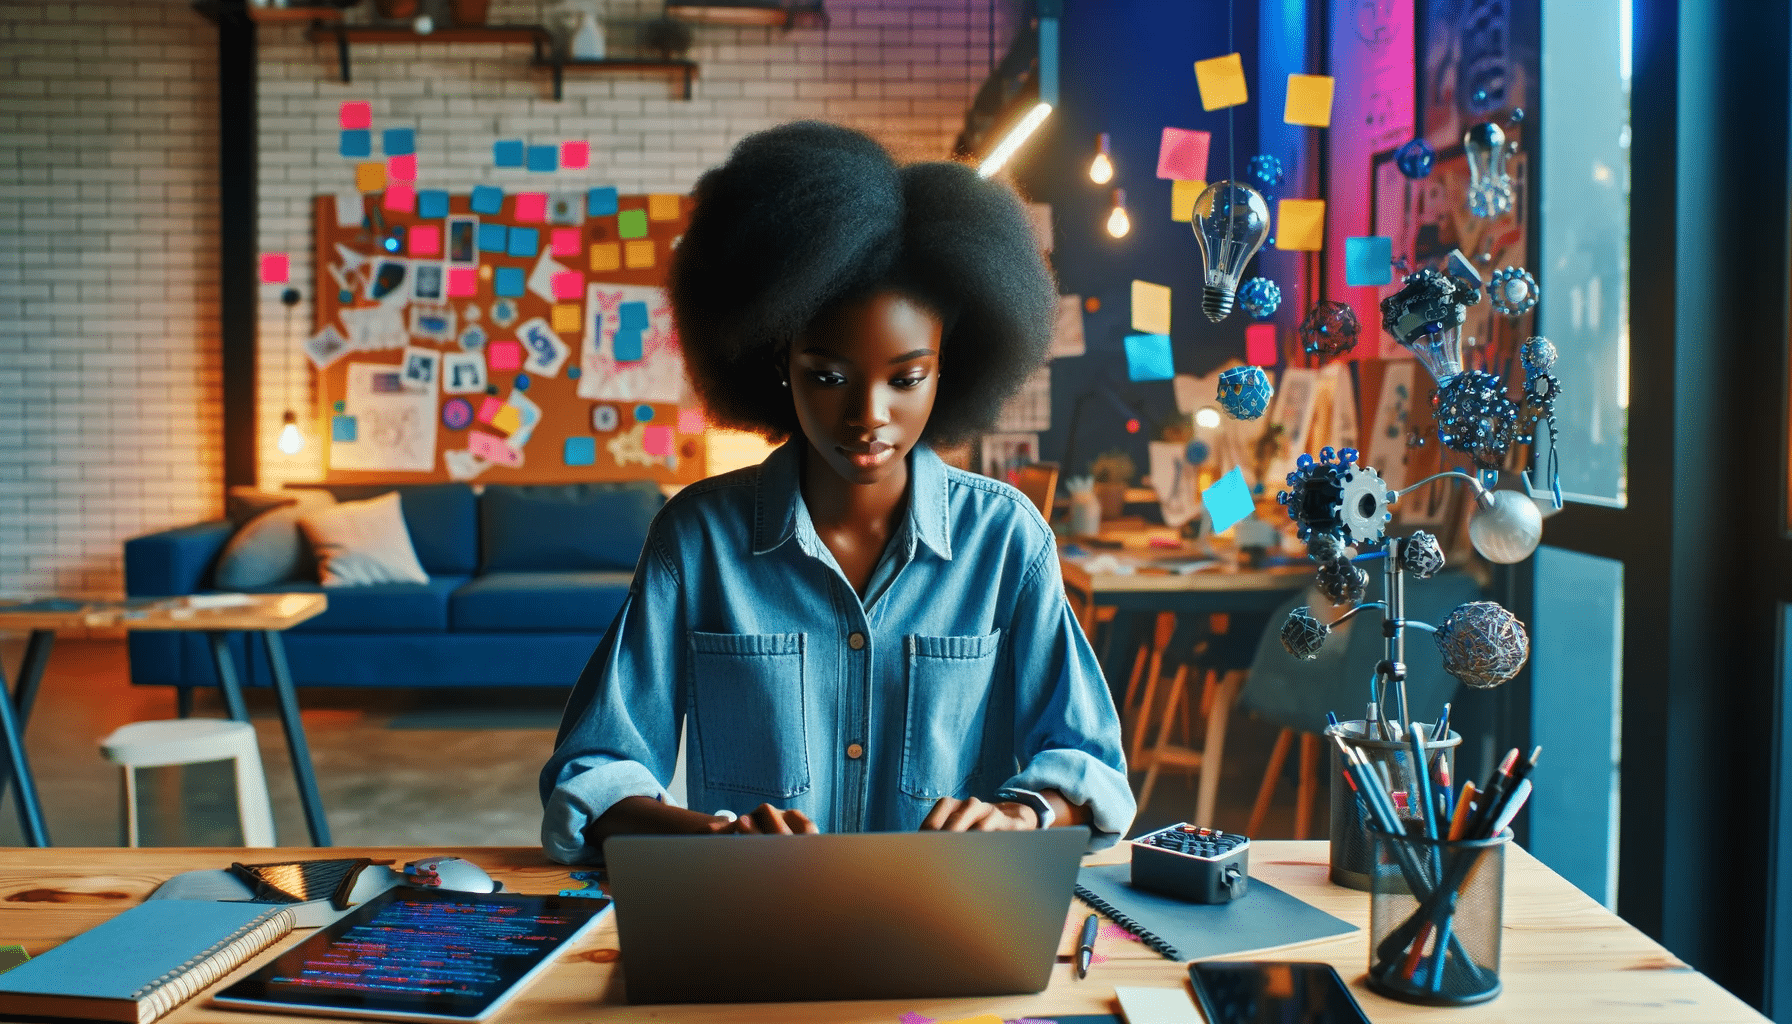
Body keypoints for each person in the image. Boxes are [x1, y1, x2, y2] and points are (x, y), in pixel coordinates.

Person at [539, 121, 1134, 863]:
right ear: (775, 362)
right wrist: (718, 841)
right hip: (759, 919)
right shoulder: (697, 541)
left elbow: (1091, 768)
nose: (868, 415)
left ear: (950, 369)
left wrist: (1023, 817)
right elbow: (592, 775)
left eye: (906, 378)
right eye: (827, 375)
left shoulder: (1006, 542)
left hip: (948, 918)